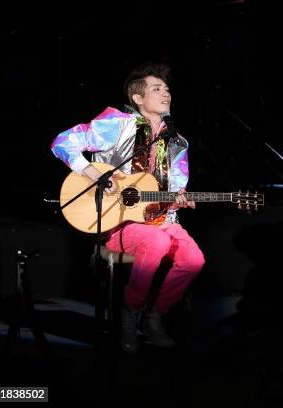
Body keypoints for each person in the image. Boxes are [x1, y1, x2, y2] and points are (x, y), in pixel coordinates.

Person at [52, 62, 205, 353]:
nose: (166, 94)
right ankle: (129, 313)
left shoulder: (177, 142)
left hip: (159, 219)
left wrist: (179, 198)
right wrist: (93, 172)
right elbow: (63, 141)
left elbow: (177, 185)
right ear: (138, 98)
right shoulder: (117, 124)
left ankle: (154, 316)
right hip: (118, 220)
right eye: (157, 89)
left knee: (193, 260)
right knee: (157, 242)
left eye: (168, 89)